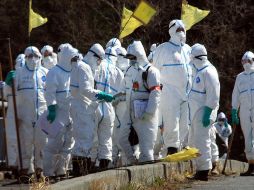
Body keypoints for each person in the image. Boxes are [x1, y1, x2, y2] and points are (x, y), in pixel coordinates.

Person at [5, 46, 48, 182]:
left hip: (42, 115)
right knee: (26, 144)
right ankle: (26, 171)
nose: (33, 59)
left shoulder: (45, 73)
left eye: (36, 56)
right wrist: (7, 84)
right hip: (25, 117)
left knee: (41, 143)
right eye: (30, 56)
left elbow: (51, 92)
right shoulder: (18, 74)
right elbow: (8, 95)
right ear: (25, 57)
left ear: (40, 58)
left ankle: (40, 170)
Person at [70, 44, 114, 175]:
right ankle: (79, 174)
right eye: (99, 60)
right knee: (83, 141)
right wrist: (101, 94)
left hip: (83, 108)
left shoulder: (82, 66)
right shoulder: (84, 67)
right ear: (94, 57)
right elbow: (85, 90)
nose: (99, 63)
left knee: (85, 140)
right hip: (82, 108)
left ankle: (82, 172)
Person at [153, 19, 192, 155]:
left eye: (182, 29)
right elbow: (154, 71)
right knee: (171, 122)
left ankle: (181, 148)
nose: (181, 32)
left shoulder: (188, 50)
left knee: (184, 124)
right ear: (171, 31)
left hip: (186, 94)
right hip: (169, 93)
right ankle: (171, 149)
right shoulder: (163, 49)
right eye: (178, 30)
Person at [119, 40, 161, 163]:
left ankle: (147, 173)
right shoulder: (129, 71)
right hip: (130, 111)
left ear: (139, 55)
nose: (131, 60)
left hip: (145, 114)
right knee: (122, 138)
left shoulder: (151, 71)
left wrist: (149, 111)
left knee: (146, 147)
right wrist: (117, 97)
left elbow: (155, 92)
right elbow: (125, 89)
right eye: (129, 57)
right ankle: (133, 160)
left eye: (133, 57)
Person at [43, 43, 76, 181]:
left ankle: (62, 170)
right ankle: (49, 173)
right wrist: (51, 108)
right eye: (72, 57)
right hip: (57, 113)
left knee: (69, 142)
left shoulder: (74, 71)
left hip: (71, 113)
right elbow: (49, 92)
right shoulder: (54, 72)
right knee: (53, 143)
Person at [188, 43, 220, 181]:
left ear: (198, 58)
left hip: (204, 111)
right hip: (197, 112)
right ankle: (200, 169)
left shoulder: (209, 72)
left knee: (203, 141)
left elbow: (213, 95)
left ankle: (203, 171)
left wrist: (207, 113)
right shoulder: (200, 71)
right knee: (197, 140)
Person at [85, 43, 118, 170]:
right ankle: (104, 167)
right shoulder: (116, 70)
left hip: (95, 105)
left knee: (93, 137)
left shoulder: (89, 67)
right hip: (108, 107)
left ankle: (92, 165)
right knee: (106, 138)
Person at [232, 51, 254, 176]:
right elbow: (236, 94)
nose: (246, 63)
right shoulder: (240, 77)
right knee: (248, 138)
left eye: (248, 61)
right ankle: (251, 164)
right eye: (244, 61)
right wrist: (235, 110)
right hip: (245, 111)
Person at [3, 54, 25, 176]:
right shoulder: (11, 75)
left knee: (25, 138)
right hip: (12, 109)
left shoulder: (29, 76)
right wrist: (7, 84)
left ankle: (25, 165)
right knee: (12, 138)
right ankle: (14, 165)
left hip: (25, 110)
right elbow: (6, 95)